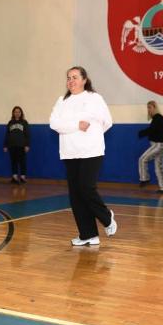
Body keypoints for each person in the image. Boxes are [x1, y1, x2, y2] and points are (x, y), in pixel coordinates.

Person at [50, 66, 117, 246]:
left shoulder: (94, 98)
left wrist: (92, 134)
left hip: (91, 151)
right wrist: (76, 126)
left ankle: (107, 217)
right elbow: (54, 123)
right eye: (68, 78)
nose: (71, 81)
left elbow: (107, 122)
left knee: (86, 188)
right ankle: (88, 235)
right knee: (76, 195)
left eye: (75, 77)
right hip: (69, 152)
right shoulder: (62, 101)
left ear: (84, 80)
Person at [138, 100, 163, 194]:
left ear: (154, 108)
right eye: (147, 108)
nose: (148, 109)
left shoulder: (158, 117)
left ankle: (145, 179)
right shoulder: (157, 118)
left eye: (150, 107)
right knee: (159, 167)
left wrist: (141, 133)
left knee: (142, 159)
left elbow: (152, 129)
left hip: (158, 145)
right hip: (161, 145)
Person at [3, 106, 30, 184]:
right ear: (13, 113)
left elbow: (27, 134)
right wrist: (5, 145)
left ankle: (22, 177)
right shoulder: (10, 122)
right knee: (13, 161)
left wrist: (27, 145)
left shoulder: (24, 122)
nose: (17, 113)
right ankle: (14, 177)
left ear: (21, 113)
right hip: (12, 145)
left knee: (22, 161)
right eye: (15, 112)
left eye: (18, 112)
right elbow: (7, 134)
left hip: (21, 145)